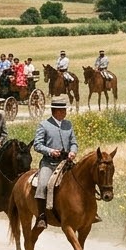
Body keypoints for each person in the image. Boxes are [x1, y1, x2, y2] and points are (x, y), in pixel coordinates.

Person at [31, 96, 78, 231]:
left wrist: (73, 152)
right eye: (63, 110)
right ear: (56, 111)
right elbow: (37, 145)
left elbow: (73, 142)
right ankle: (41, 217)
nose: (65, 112)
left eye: (65, 110)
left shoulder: (68, 124)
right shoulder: (44, 125)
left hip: (66, 162)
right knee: (43, 185)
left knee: (82, 181)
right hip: (49, 163)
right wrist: (50, 151)